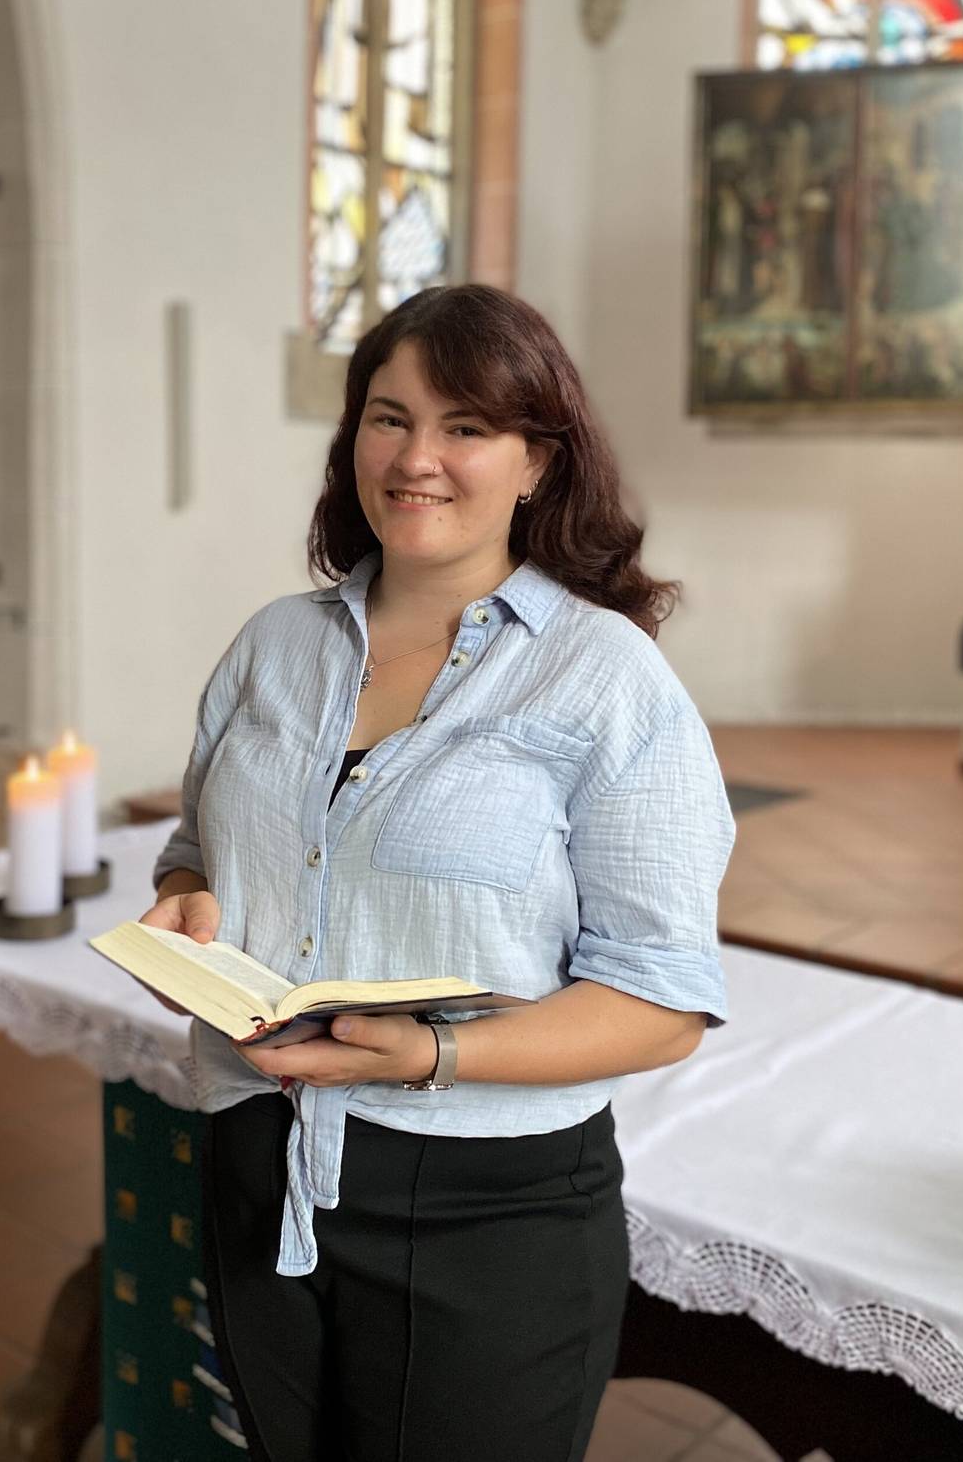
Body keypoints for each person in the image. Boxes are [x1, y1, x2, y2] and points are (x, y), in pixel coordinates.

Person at [138, 284, 734, 1461]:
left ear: (538, 462)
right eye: (388, 417)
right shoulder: (274, 645)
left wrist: (435, 1051)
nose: (418, 458)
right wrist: (190, 907)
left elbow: (664, 1002)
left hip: (487, 1205)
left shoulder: (605, 681)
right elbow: (198, 847)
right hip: (263, 1165)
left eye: (467, 426)